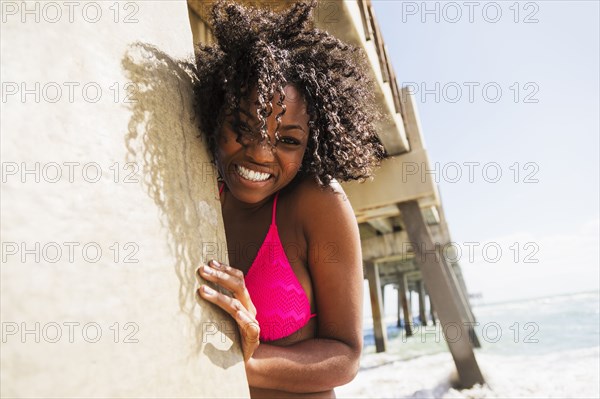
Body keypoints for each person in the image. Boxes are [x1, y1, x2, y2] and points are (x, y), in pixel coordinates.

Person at [193, 1, 384, 397]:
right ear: (216, 116)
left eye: (288, 140)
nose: (261, 154)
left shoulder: (318, 203)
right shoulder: (200, 193)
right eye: (243, 127)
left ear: (309, 145)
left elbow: (345, 355)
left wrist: (247, 361)